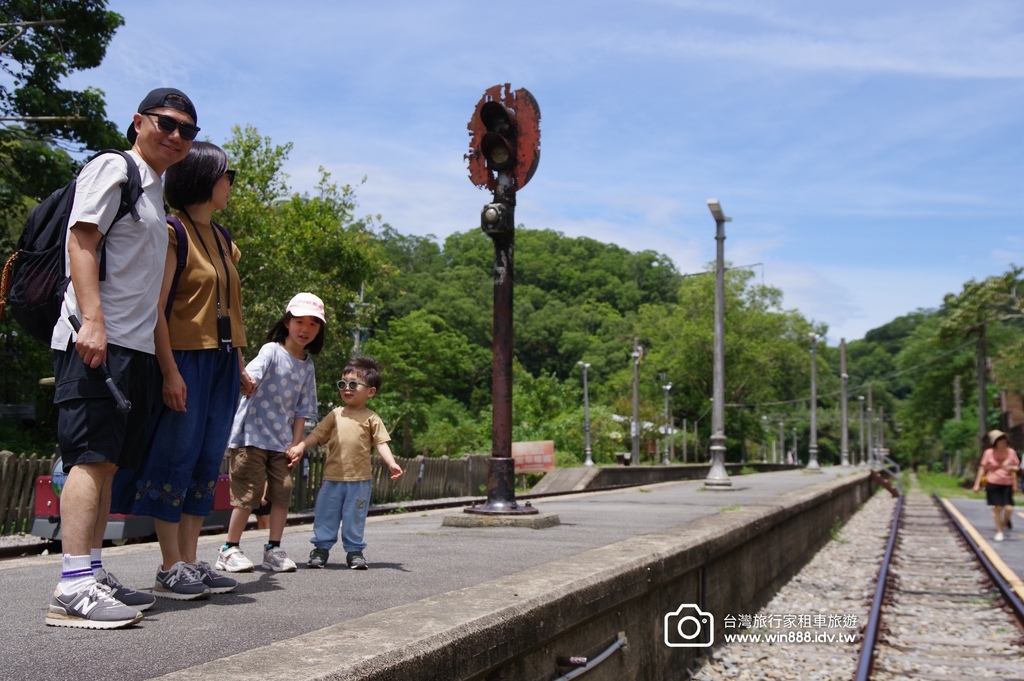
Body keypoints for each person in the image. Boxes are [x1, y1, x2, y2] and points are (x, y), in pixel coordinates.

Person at [45, 88, 199, 629]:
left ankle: (91, 569)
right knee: (89, 457)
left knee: (107, 460)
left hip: (131, 350)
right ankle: (72, 586)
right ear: (138, 122)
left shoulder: (155, 194)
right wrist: (92, 320)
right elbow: (81, 240)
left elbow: (147, 293)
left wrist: (160, 363)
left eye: (187, 130)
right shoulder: (116, 167)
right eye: (167, 123)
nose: (176, 136)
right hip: (96, 342)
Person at [112, 141, 252, 600]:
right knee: (175, 455)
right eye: (226, 174)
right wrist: (170, 372)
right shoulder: (175, 232)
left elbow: (227, 308)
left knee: (206, 460)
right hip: (184, 360)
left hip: (222, 360)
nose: (230, 183)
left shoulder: (225, 239)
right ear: (205, 179)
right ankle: (169, 565)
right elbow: (156, 309)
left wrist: (240, 364)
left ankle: (191, 561)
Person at [216, 293, 325, 573]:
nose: (306, 329)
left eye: (313, 324)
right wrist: (246, 381)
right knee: (248, 494)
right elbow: (253, 373)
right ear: (287, 322)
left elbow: (303, 408)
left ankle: (273, 548)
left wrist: (296, 443)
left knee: (283, 491)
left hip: (280, 441)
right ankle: (229, 548)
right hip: (251, 435)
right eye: (299, 321)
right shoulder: (271, 350)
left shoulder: (307, 365)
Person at [286, 355, 403, 569]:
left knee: (354, 518)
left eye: (353, 384)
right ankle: (321, 549)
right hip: (332, 478)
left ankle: (354, 551)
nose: (346, 388)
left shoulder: (372, 418)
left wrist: (391, 463)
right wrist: (301, 446)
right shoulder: (335, 414)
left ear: (370, 392)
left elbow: (381, 444)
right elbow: (318, 434)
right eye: (342, 384)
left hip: (360, 481)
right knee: (325, 515)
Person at [972, 429, 1020, 542]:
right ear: (995, 442)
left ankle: (1003, 524)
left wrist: (1013, 473)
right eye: (1000, 441)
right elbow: (982, 468)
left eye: (1004, 440)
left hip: (1007, 483)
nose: (1003, 443)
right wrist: (977, 484)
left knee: (1008, 508)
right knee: (997, 507)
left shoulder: (1011, 452)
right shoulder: (989, 453)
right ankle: (999, 531)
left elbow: (1017, 467)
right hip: (993, 482)